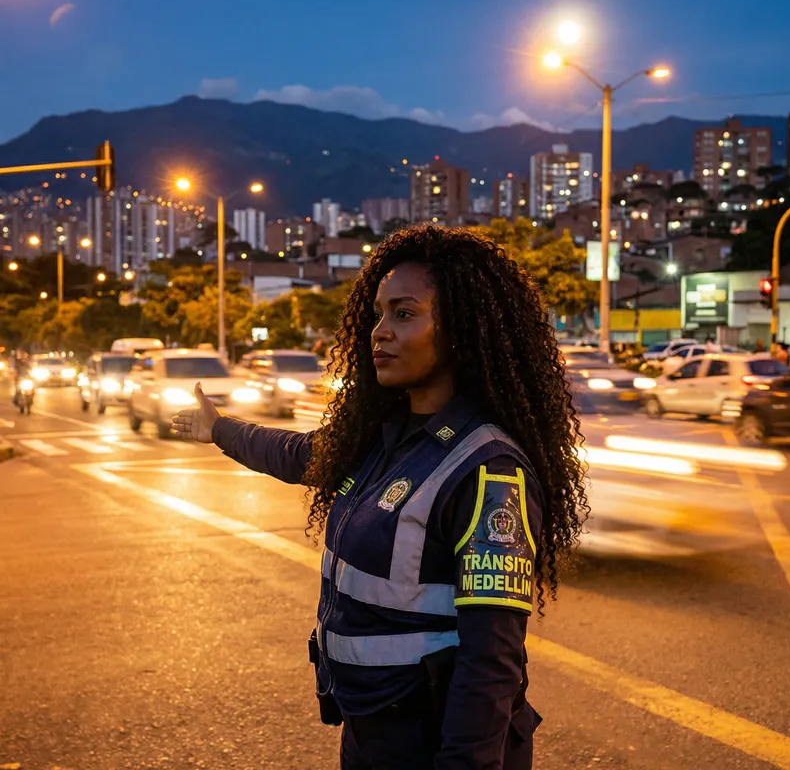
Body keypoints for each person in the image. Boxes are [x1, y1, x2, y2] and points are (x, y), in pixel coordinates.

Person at [173, 225, 589, 769]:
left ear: (461, 329)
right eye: (376, 315)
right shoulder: (382, 434)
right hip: (372, 729)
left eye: (404, 314)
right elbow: (300, 455)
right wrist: (220, 429)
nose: (379, 332)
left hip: (430, 741)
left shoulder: (489, 471)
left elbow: (490, 664)